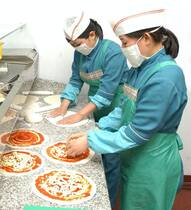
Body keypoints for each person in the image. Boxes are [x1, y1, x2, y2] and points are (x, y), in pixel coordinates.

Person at [66, 6, 187, 210]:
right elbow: (123, 109)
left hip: (152, 162)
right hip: (136, 156)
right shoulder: (139, 69)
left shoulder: (165, 78)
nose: (122, 48)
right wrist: (97, 128)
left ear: (146, 38)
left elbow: (137, 133)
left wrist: (91, 140)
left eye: (124, 42)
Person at [49, 12, 128, 208]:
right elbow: (75, 79)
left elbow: (107, 91)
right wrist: (64, 105)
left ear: (92, 35)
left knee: (109, 159)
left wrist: (80, 114)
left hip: (116, 107)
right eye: (72, 44)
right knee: (92, 155)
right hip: (96, 107)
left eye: (77, 43)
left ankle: (106, 202)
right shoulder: (80, 53)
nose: (75, 48)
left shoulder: (113, 52)